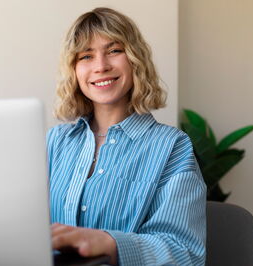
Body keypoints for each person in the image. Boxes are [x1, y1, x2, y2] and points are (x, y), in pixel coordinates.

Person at [47, 7, 206, 266]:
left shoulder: (172, 147)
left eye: (114, 51)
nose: (101, 66)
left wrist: (110, 243)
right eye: (86, 56)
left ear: (135, 60)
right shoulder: (55, 141)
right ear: (74, 70)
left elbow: (183, 252)